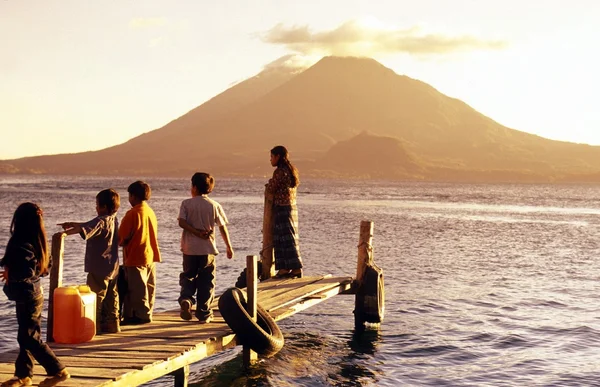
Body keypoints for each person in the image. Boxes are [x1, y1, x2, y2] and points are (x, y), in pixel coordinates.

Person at [0, 203, 70, 387]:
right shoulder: (38, 241)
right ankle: (23, 375)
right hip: (34, 293)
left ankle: (58, 370)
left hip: (27, 295)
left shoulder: (20, 242)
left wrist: (11, 273)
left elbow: (25, 270)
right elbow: (45, 268)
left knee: (28, 337)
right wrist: (8, 267)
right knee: (27, 334)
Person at [57, 188, 121, 334]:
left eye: (97, 205)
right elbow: (88, 225)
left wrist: (63, 234)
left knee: (96, 296)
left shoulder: (100, 221)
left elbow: (85, 229)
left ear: (103, 207)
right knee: (112, 297)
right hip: (113, 266)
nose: (96, 207)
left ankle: (94, 325)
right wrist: (74, 224)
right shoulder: (113, 219)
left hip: (99, 267)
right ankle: (113, 325)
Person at [178, 172, 234, 323]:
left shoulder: (186, 204)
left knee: (188, 276)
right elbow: (222, 227)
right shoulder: (214, 205)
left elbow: (181, 223)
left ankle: (187, 300)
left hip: (189, 249)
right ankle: (203, 313)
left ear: (194, 187)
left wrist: (195, 232)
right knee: (207, 281)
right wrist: (228, 246)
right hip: (207, 250)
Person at [118, 181, 161, 325]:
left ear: (133, 196)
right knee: (149, 287)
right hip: (150, 254)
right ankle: (146, 312)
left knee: (137, 289)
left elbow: (121, 237)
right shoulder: (150, 211)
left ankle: (141, 315)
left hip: (135, 255)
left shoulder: (132, 214)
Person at [266, 145, 303, 278]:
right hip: (291, 208)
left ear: (278, 157)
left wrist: (270, 183)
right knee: (290, 238)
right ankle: (292, 268)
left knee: (282, 239)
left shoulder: (280, 172)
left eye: (271, 157)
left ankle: (286, 268)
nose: (270, 160)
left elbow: (271, 187)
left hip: (282, 208)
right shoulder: (291, 170)